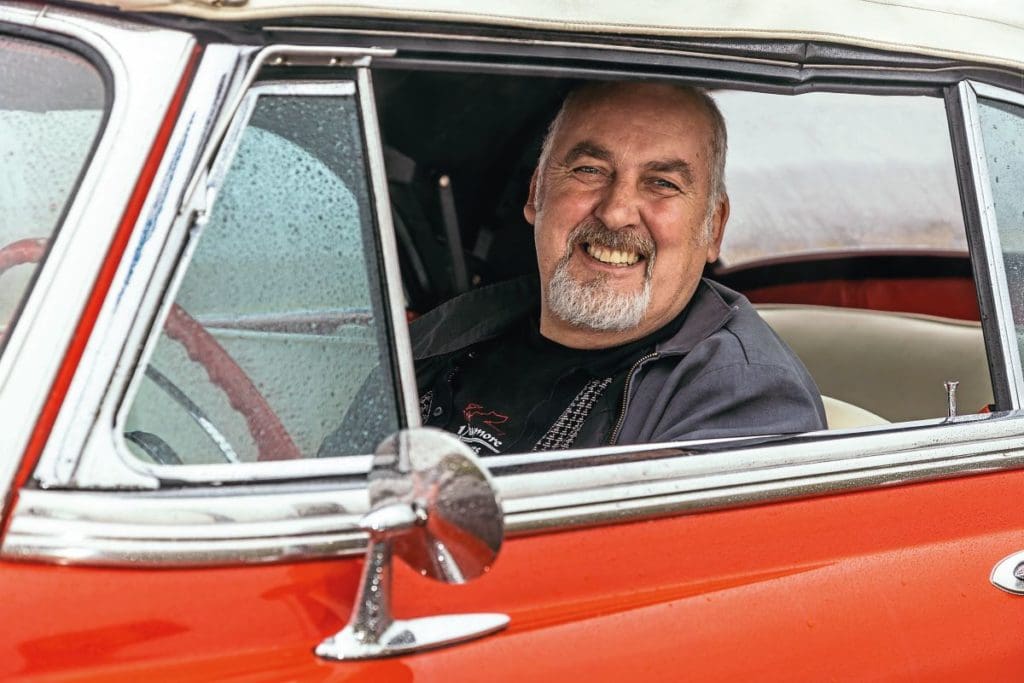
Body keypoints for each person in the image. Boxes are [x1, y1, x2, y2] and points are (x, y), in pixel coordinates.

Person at [411, 81, 826, 455]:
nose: (615, 213)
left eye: (662, 183)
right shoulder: (449, 329)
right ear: (537, 193)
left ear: (713, 227)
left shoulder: (747, 399)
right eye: (589, 171)